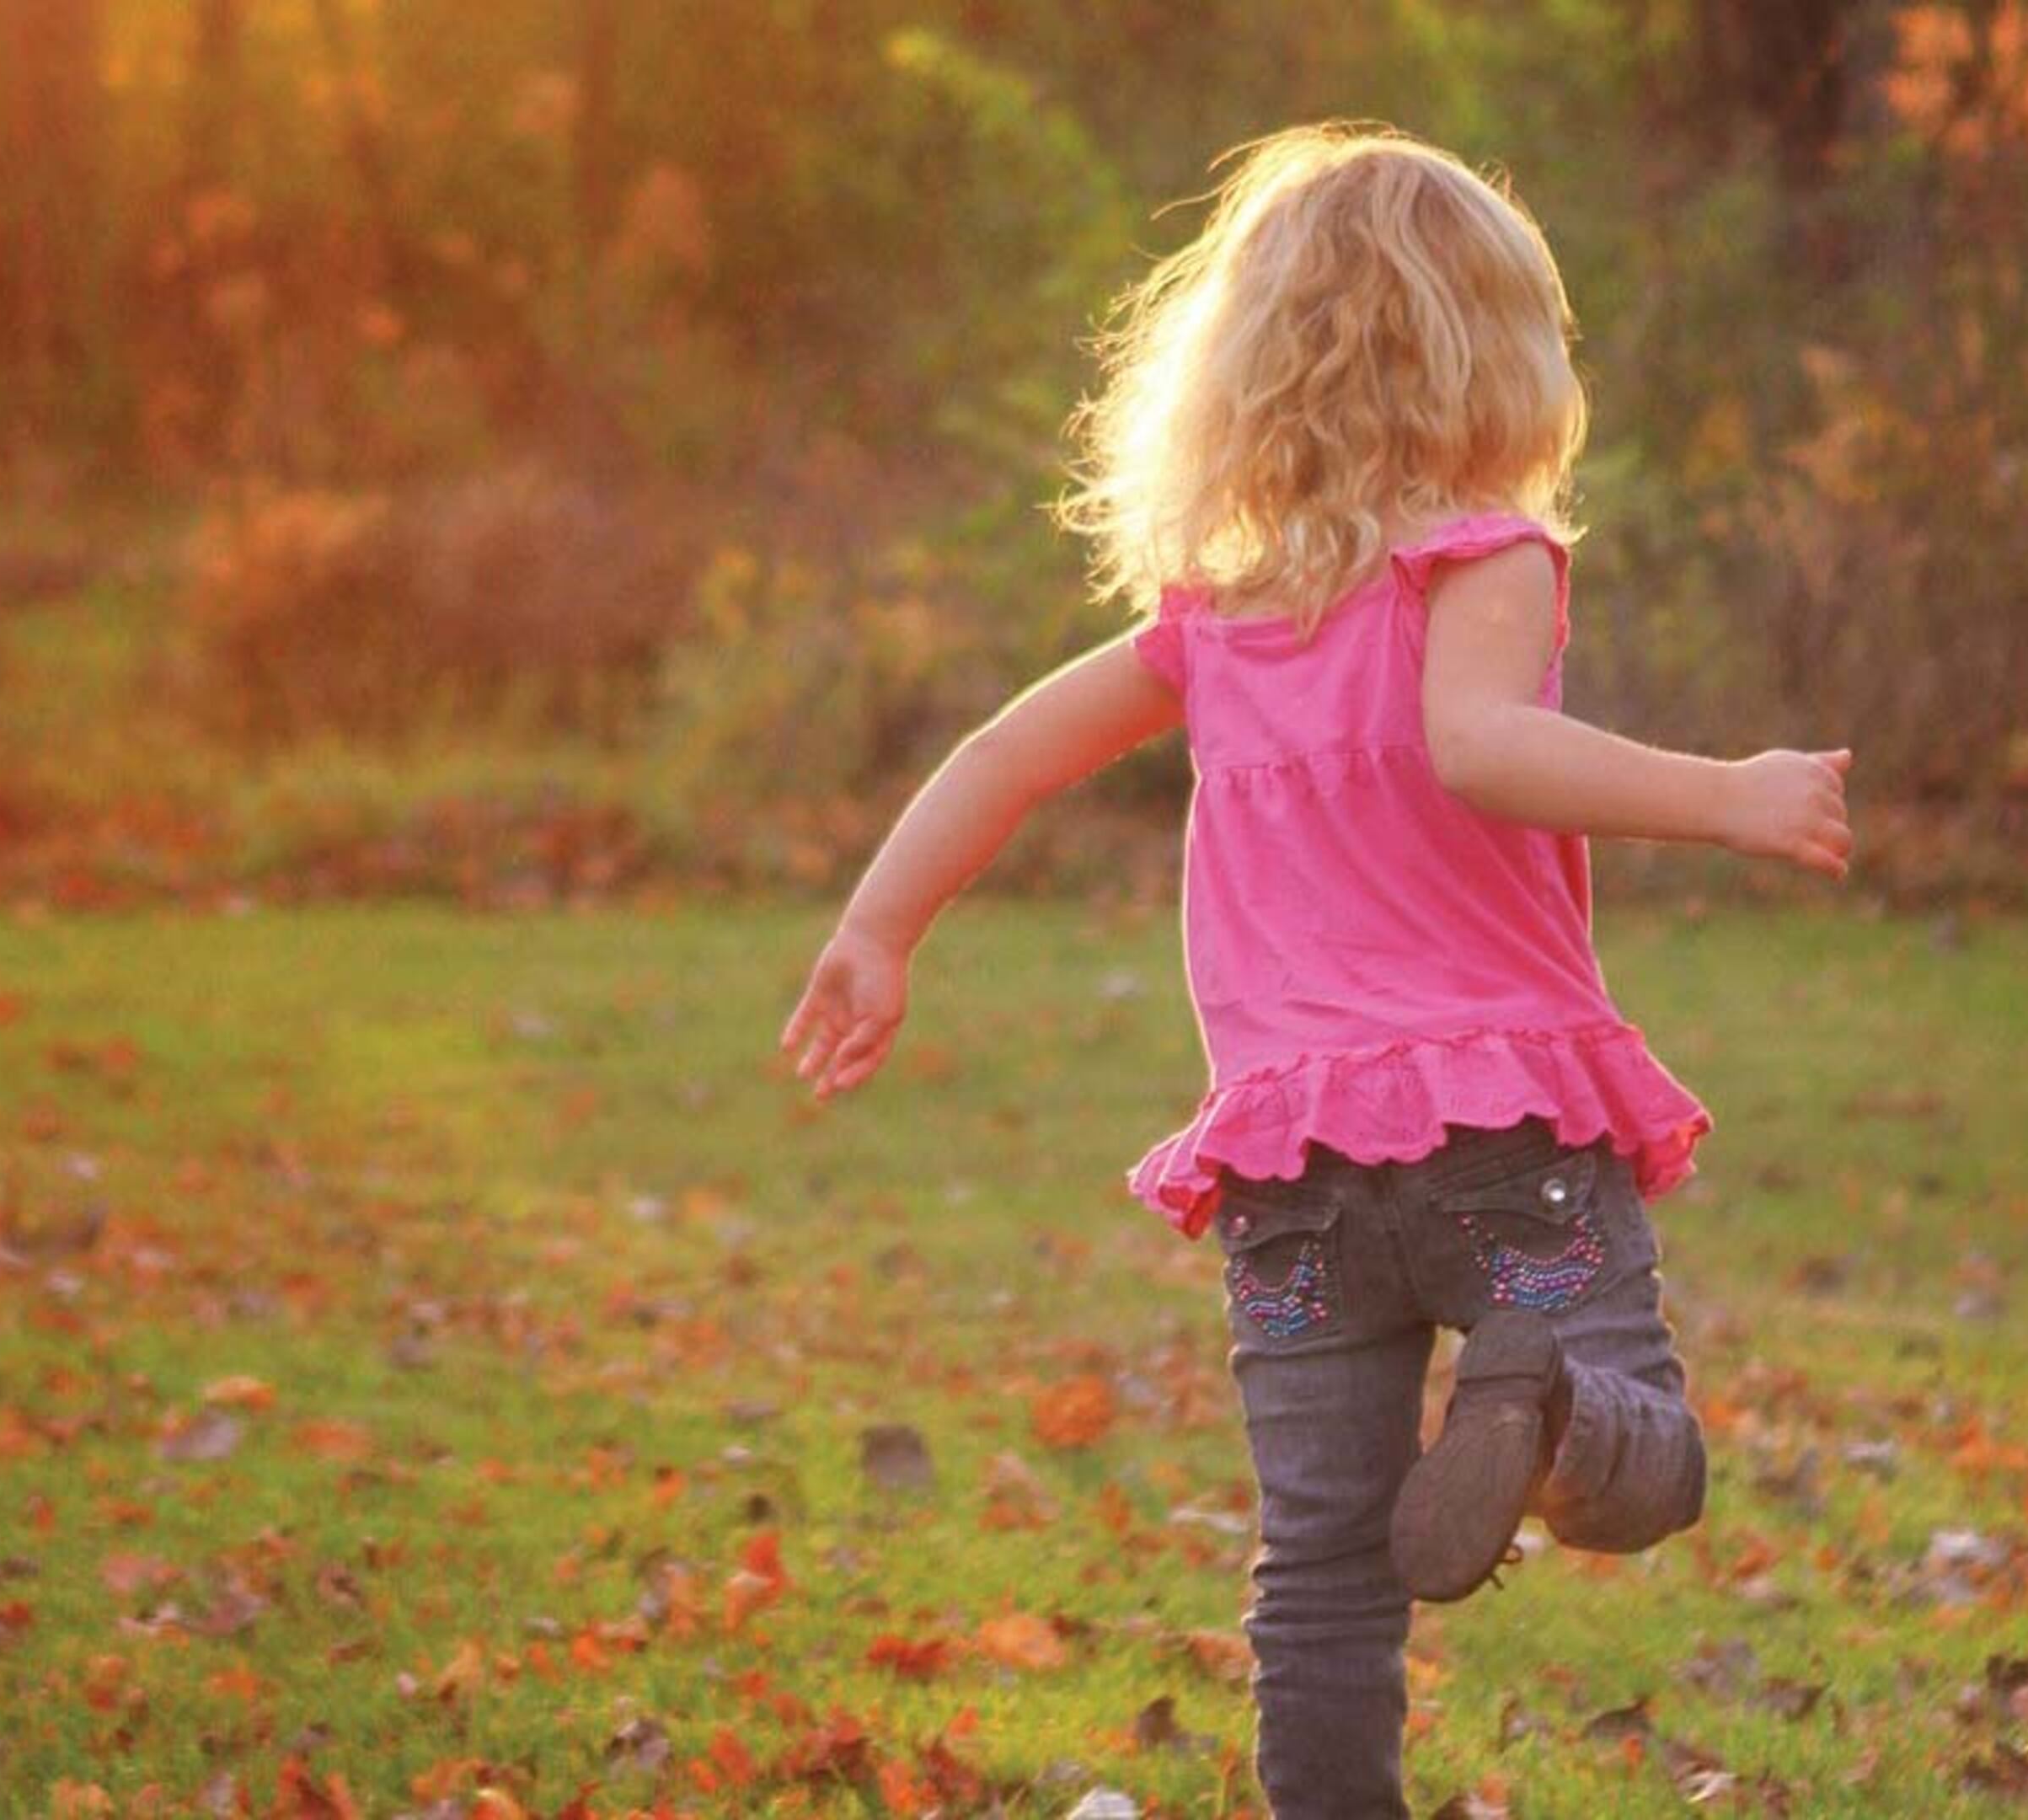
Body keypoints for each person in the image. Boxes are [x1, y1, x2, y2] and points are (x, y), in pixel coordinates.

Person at [777, 122, 1853, 1818]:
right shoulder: (1482, 555)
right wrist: (1729, 797)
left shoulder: (1217, 619)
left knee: (1323, 1579)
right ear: (1496, 353)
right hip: (1500, 1134)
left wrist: (878, 930)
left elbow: (1003, 755)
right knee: (1644, 1463)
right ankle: (1555, 1409)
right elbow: (1483, 747)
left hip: (1292, 1179)